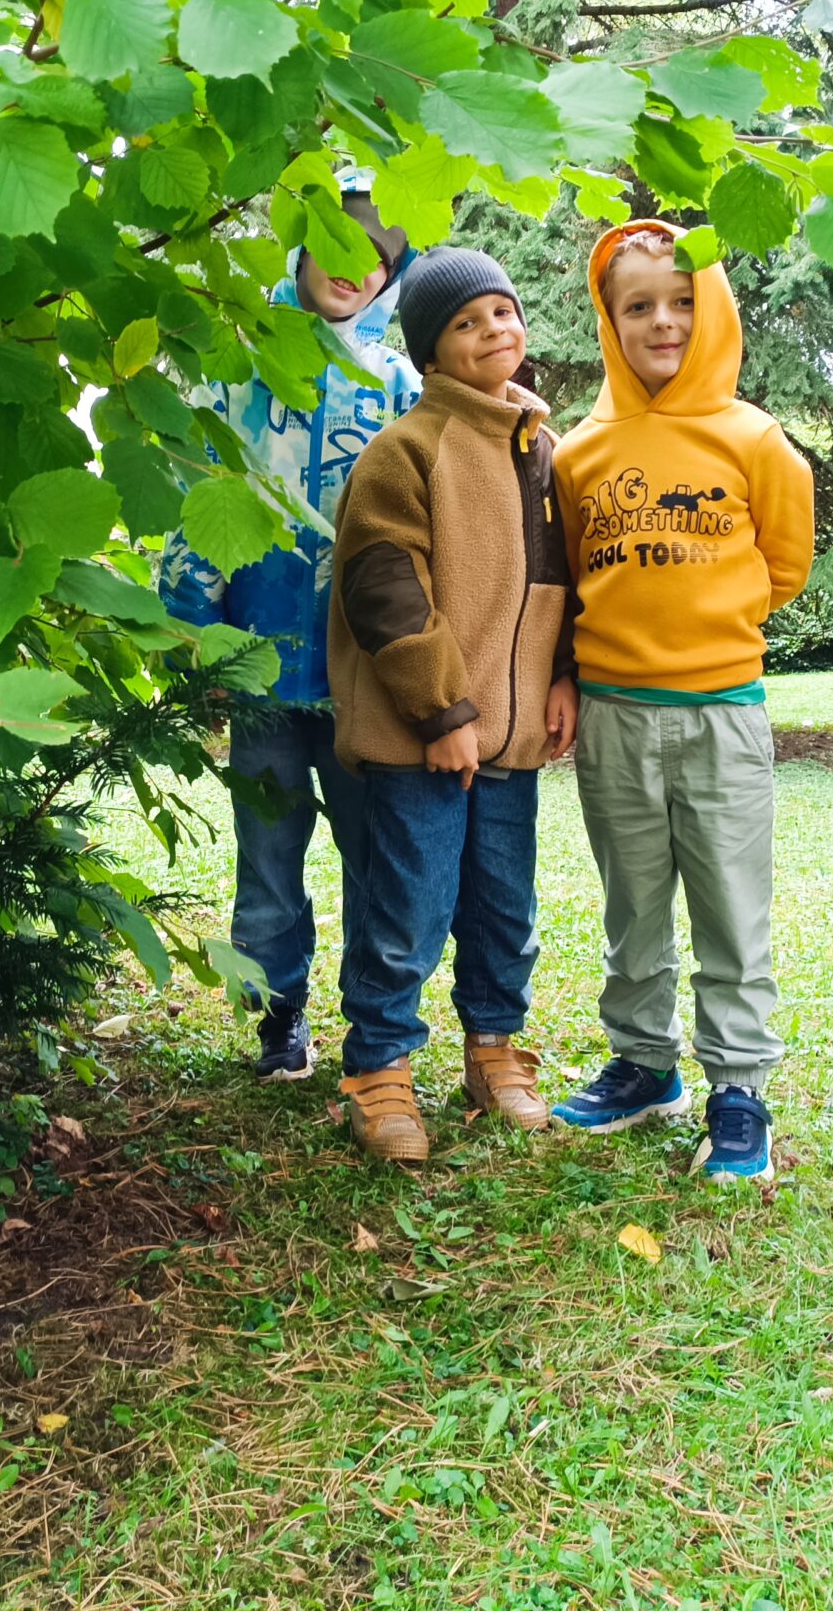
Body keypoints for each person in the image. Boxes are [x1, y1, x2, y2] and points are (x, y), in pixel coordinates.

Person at [546, 222, 815, 1187]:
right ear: (610, 321)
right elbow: (571, 577)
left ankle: (738, 1091)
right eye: (638, 306)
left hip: (721, 714)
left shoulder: (754, 439)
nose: (663, 321)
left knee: (731, 908)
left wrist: (707, 622)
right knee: (633, 902)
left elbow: (782, 566)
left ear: (714, 310)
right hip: (613, 715)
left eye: (682, 302)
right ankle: (643, 1065)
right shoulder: (579, 452)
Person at [324, 248, 578, 1163]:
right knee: (409, 906)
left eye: (502, 312)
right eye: (466, 323)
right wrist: (442, 711)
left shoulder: (543, 451)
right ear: (430, 352)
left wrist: (563, 675)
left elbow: (562, 582)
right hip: (421, 738)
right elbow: (382, 584)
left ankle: (493, 1049)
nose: (492, 331)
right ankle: (379, 1067)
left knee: (505, 905)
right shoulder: (406, 450)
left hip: (512, 739)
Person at [161, 188, 417, 1084]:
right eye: (339, 244)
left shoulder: (402, 388)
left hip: (364, 679)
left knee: (374, 856)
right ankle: (279, 1018)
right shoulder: (237, 375)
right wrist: (199, 640)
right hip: (258, 670)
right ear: (300, 250)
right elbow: (198, 510)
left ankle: (374, 1023)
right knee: (268, 861)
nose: (357, 268)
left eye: (379, 258)